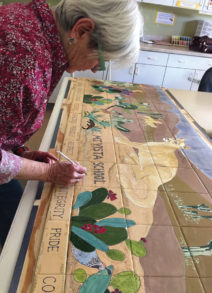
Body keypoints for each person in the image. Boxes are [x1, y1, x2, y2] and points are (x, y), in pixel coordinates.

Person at [0, 0, 143, 246]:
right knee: (21, 237)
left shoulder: (35, 23)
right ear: (81, 30)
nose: (97, 70)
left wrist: (20, 153)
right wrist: (49, 172)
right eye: (101, 60)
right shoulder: (25, 60)